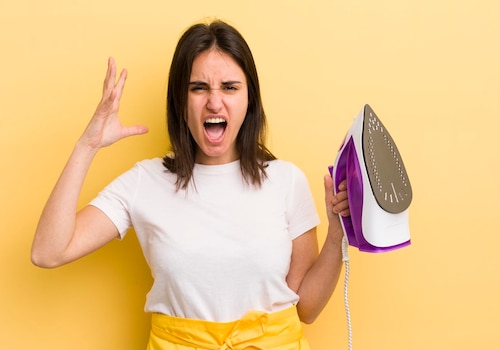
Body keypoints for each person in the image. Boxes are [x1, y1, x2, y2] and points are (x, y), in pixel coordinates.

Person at [32, 19, 350, 349]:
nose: (214, 102)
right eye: (198, 88)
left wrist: (337, 233)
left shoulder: (286, 181)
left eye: (230, 87)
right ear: (180, 102)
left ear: (249, 100)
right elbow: (48, 251)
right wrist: (88, 145)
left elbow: (307, 309)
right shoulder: (145, 182)